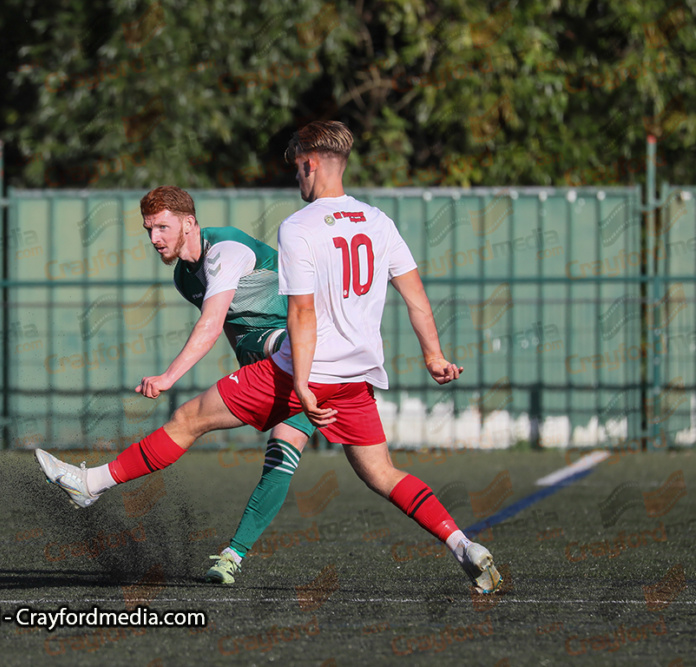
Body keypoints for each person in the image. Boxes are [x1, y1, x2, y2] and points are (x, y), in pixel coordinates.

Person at [36, 120, 502, 594]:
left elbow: (299, 312)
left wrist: (299, 382)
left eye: (296, 166)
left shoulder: (297, 227)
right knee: (382, 473)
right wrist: (434, 356)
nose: (294, 176)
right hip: (355, 378)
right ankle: (463, 543)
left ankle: (90, 483)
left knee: (187, 419)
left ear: (310, 164)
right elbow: (416, 295)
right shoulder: (379, 221)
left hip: (298, 368)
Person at [134, 184, 328, 584]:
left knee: (368, 469)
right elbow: (231, 329)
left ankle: (95, 482)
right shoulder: (184, 278)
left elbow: (212, 323)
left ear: (189, 223)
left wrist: (169, 376)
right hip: (271, 365)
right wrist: (250, 376)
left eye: (163, 228)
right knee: (295, 461)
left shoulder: (226, 248)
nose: (154, 239)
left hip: (308, 353)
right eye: (148, 229)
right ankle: (232, 556)